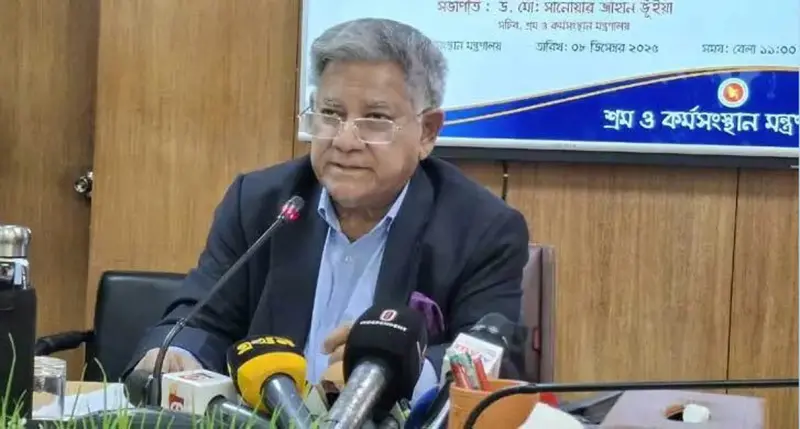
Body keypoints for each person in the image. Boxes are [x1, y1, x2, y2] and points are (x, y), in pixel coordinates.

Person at [129, 17, 530, 401]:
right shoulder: (259, 203)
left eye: (375, 119)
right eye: (331, 114)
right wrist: (177, 352)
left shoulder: (482, 229)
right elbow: (200, 319)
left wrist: (394, 367)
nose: (344, 141)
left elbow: (490, 359)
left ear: (427, 132)